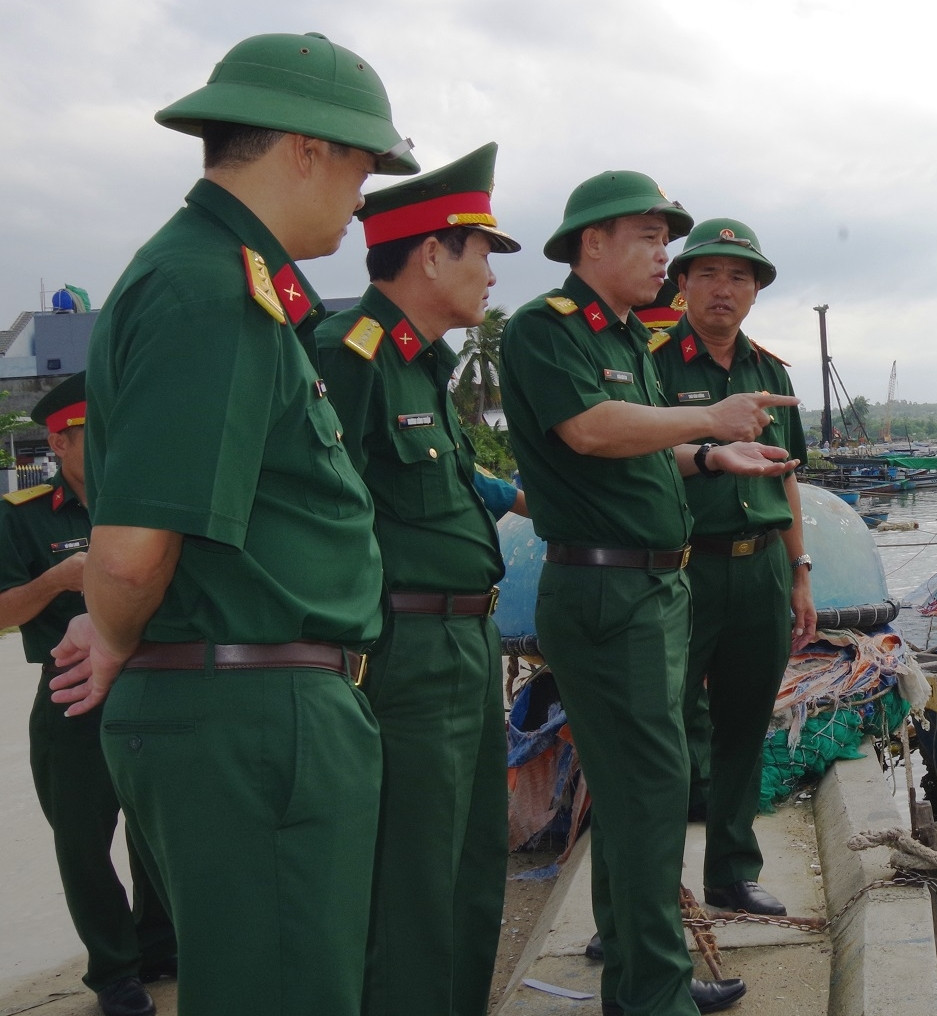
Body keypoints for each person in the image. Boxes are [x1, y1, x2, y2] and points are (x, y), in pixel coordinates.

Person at [48, 31, 416, 1016]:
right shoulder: (214, 289)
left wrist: (118, 624)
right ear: (306, 147)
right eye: (363, 162)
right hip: (255, 719)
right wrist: (117, 627)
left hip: (248, 707)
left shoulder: (219, 278)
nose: (365, 188)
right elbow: (131, 551)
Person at [500, 171, 800, 1016]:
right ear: (593, 242)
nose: (663, 254)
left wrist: (709, 458)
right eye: (648, 236)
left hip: (651, 587)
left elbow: (637, 444)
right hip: (608, 587)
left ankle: (648, 975)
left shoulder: (627, 337)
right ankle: (652, 994)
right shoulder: (544, 329)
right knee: (647, 790)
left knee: (651, 790)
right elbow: (592, 429)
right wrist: (708, 421)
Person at [313, 141, 526, 1016]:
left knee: (474, 870)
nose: (488, 276)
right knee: (410, 884)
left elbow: (437, 487)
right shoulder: (348, 355)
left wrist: (521, 496)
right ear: (432, 251)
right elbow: (319, 513)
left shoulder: (425, 367)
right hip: (401, 654)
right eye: (481, 253)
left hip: (467, 643)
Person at [652, 218, 814, 917]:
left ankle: (731, 872)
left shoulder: (769, 373)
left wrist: (800, 572)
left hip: (760, 572)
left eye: (739, 276)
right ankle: (647, 895)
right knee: (659, 730)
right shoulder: (652, 365)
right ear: (681, 283)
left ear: (755, 292)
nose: (724, 288)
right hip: (681, 569)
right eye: (709, 273)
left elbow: (787, 480)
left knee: (746, 721)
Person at [0, 374, 173, 1016]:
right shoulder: (20, 518)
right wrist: (55, 580)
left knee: (158, 829)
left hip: (155, 683)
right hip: (71, 697)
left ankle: (159, 945)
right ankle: (115, 970)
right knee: (82, 840)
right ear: (60, 441)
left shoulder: (146, 503)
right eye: (89, 435)